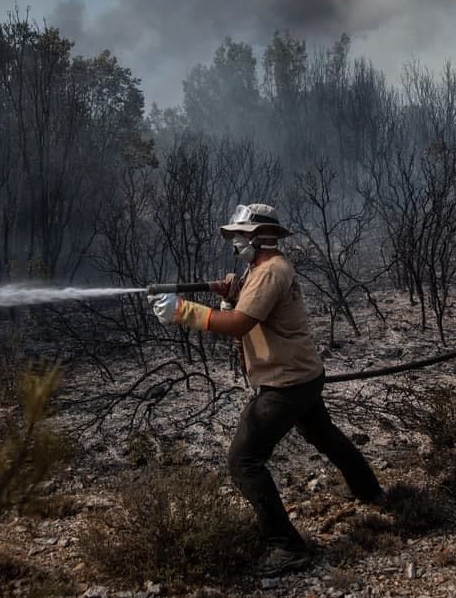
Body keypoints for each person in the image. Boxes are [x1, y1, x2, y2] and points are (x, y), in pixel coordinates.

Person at [148, 203, 383, 577]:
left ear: (260, 237)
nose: (235, 243)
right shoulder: (258, 270)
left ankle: (287, 546)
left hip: (285, 384)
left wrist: (184, 312)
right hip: (300, 375)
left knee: (243, 461)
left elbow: (241, 324)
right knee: (327, 437)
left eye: (239, 236)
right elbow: (244, 314)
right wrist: (227, 296)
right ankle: (372, 494)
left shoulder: (271, 270)